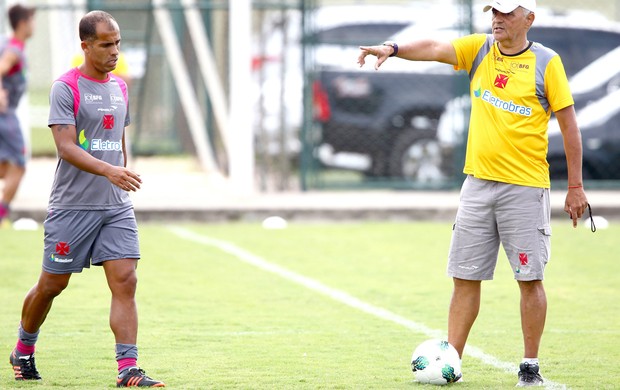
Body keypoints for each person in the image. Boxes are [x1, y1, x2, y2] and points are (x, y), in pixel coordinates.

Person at [358, 0, 588, 386]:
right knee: (464, 277)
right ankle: (452, 361)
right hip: (477, 185)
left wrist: (576, 187)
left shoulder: (548, 63)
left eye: (506, 13)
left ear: (528, 19)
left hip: (525, 188)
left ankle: (530, 366)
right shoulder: (479, 49)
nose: (497, 19)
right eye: (493, 12)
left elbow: (570, 128)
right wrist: (393, 49)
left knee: (529, 279)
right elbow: (434, 48)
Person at [9, 10, 165, 388]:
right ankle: (23, 349)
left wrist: (120, 171)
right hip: (72, 207)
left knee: (126, 279)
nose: (114, 51)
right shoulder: (66, 87)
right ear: (86, 46)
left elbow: (118, 143)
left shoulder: (120, 87)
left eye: (118, 43)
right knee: (52, 285)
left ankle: (128, 369)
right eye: (106, 44)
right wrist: (109, 170)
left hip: (115, 206)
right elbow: (65, 147)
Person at [0, 3, 35, 226]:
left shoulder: (11, 45)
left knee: (5, 166)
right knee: (19, 165)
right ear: (23, 23)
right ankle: (1, 214)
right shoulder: (13, 49)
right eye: (32, 21)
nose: (34, 26)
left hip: (5, 114)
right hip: (5, 116)